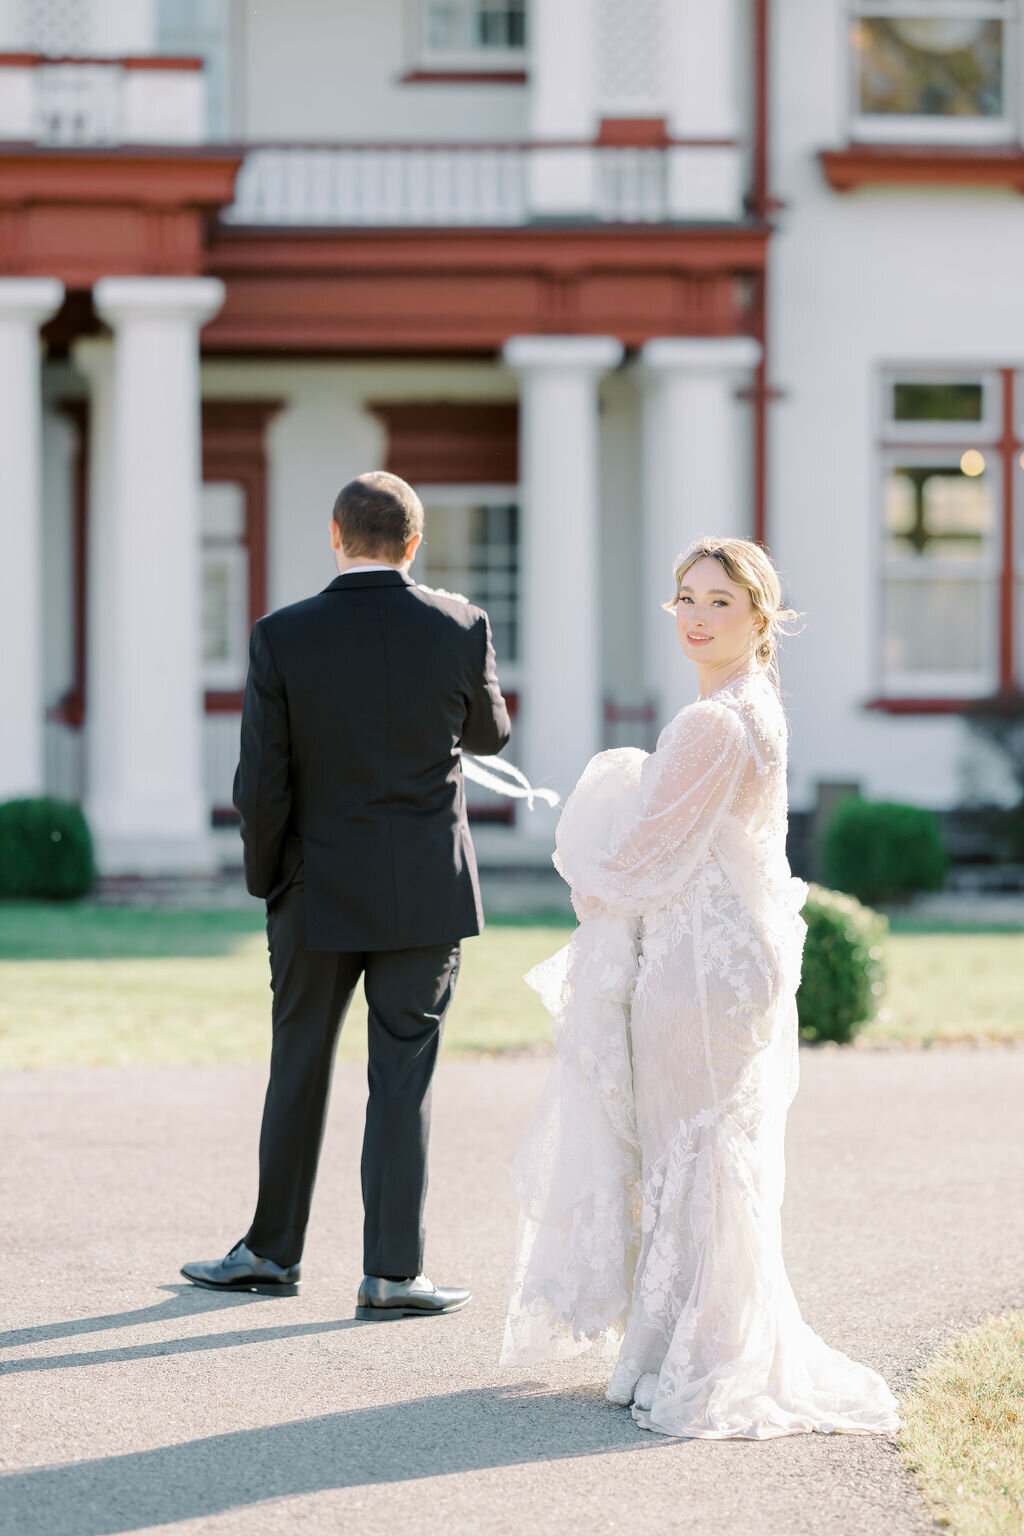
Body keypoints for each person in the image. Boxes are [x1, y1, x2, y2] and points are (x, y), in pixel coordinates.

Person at [503, 536, 900, 1439]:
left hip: (697, 967)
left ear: (761, 618)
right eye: (685, 598)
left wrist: (588, 871)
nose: (696, 617)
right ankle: (692, 1339)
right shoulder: (752, 707)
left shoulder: (714, 721)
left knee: (696, 1153)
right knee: (711, 1150)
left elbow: (647, 860)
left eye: (720, 601)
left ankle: (708, 1354)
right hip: (723, 957)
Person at [182, 471, 511, 1319]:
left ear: (335, 535)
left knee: (297, 1064)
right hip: (425, 890)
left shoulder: (281, 635)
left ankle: (267, 1252)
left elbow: (261, 783)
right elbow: (489, 733)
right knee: (403, 1074)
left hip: (313, 886)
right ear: (413, 543)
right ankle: (393, 1273)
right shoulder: (460, 623)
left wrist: (268, 881)